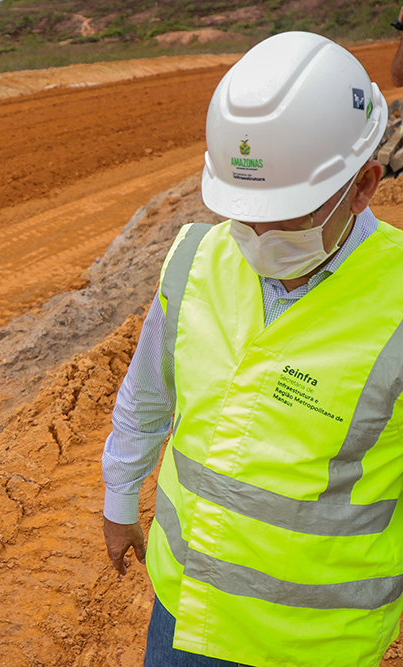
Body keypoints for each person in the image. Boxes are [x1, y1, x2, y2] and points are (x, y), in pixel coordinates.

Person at [101, 31, 403, 667]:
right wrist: (119, 496)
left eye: (287, 215)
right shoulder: (194, 258)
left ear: (365, 184)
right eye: (245, 212)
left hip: (314, 644)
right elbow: (147, 395)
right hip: (183, 613)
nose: (260, 234)